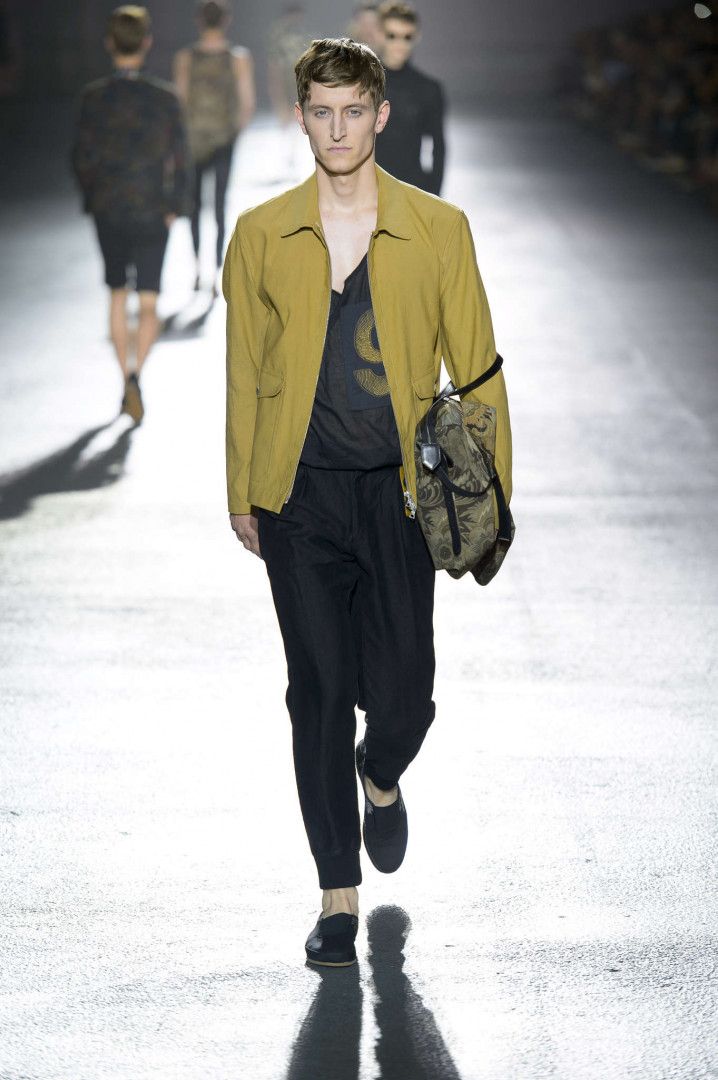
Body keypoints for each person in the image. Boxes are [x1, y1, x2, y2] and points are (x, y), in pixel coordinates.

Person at [223, 37, 511, 967]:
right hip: (300, 498)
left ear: (380, 116)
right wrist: (243, 491)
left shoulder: (438, 228)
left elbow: (478, 370)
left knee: (403, 698)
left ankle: (380, 774)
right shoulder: (262, 233)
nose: (338, 129)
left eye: (354, 111)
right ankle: (336, 896)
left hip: (400, 498)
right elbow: (244, 371)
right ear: (301, 117)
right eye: (322, 112)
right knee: (318, 691)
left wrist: (489, 502)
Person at [72, 6, 191, 423]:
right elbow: (182, 158)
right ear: (147, 43)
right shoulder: (165, 98)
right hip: (153, 209)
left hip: (109, 208)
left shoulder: (92, 98)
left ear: (110, 44)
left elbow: (81, 158)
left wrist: (93, 199)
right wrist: (175, 207)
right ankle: (137, 376)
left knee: (117, 294)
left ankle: (126, 380)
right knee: (149, 301)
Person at [173, 0, 255, 294]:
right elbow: (247, 103)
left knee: (194, 205)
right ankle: (218, 269)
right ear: (226, 20)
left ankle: (198, 268)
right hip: (224, 140)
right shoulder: (238, 57)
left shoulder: (185, 57)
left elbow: (180, 102)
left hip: (193, 140)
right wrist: (233, 133)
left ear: (198, 21)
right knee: (220, 203)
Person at [374, 1, 445, 195]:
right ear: (379, 34)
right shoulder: (362, 84)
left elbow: (438, 147)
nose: (400, 44)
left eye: (407, 36)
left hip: (411, 191)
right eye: (392, 35)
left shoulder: (428, 89)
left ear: (416, 37)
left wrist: (433, 197)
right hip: (368, 191)